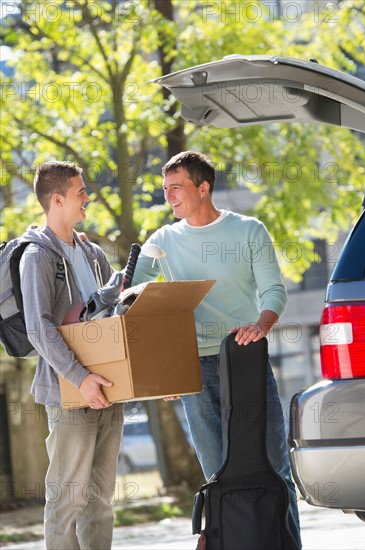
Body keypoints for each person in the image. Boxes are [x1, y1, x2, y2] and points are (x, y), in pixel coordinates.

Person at [131, 151, 302, 547]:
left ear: (203, 187)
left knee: (274, 464)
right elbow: (133, 302)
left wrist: (261, 324)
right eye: (164, 189)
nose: (168, 196)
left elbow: (274, 290)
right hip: (192, 367)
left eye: (176, 187)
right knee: (216, 473)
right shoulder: (162, 242)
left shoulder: (249, 230)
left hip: (244, 360)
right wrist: (163, 370)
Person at [20, 161, 124, 550]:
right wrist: (80, 377)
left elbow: (115, 319)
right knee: (68, 500)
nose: (88, 199)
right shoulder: (38, 256)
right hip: (70, 392)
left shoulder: (93, 253)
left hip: (109, 389)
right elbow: (39, 328)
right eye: (81, 192)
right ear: (58, 199)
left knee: (99, 502)